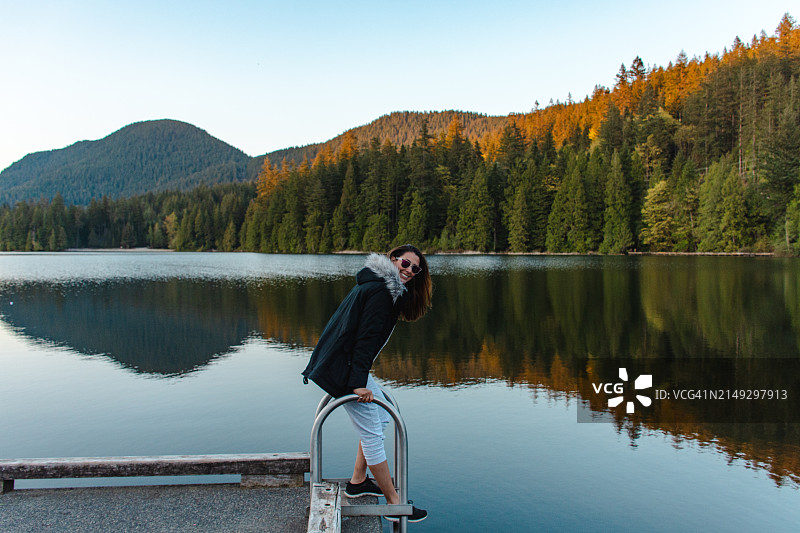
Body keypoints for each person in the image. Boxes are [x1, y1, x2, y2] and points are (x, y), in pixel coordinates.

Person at [302, 244, 432, 523]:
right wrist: (358, 383)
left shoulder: (381, 285)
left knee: (382, 417)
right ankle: (395, 505)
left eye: (415, 268)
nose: (409, 271)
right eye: (405, 263)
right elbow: (365, 339)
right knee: (373, 430)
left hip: (344, 364)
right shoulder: (382, 293)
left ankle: (359, 481)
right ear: (394, 260)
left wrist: (361, 377)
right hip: (344, 369)